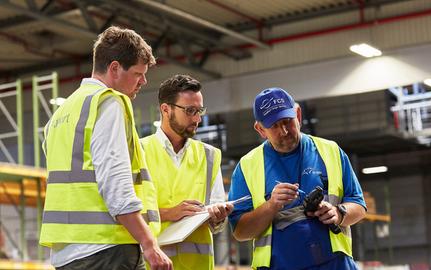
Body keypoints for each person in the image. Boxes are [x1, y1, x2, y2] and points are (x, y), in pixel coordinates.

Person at [39, 26, 172, 270]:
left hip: (67, 255)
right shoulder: (108, 102)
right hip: (106, 250)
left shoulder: (61, 114)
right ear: (114, 68)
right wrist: (148, 242)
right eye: (137, 73)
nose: (143, 81)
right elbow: (115, 182)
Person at [228, 87, 367, 270]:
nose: (284, 131)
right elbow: (240, 231)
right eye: (274, 126)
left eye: (287, 121)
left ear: (298, 115)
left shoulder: (330, 151)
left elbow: (358, 205)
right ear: (260, 129)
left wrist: (339, 213)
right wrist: (271, 206)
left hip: (335, 265)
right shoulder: (247, 167)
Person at [141, 74, 233, 270]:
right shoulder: (138, 152)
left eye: (199, 111)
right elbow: (124, 215)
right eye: (190, 111)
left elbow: (218, 223)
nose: (198, 119)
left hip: (198, 265)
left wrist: (218, 217)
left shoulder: (209, 156)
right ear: (166, 109)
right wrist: (168, 213)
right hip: (151, 264)